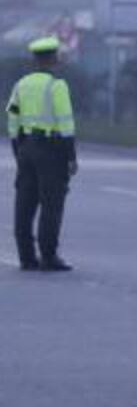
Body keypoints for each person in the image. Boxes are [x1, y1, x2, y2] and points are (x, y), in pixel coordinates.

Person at [6, 36, 77, 271]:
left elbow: (13, 119)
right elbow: (66, 124)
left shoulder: (21, 85)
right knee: (51, 203)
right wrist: (71, 157)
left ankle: (26, 257)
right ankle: (48, 256)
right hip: (51, 150)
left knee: (25, 202)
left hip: (26, 147)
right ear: (54, 58)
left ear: (34, 59)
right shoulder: (57, 86)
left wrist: (18, 150)